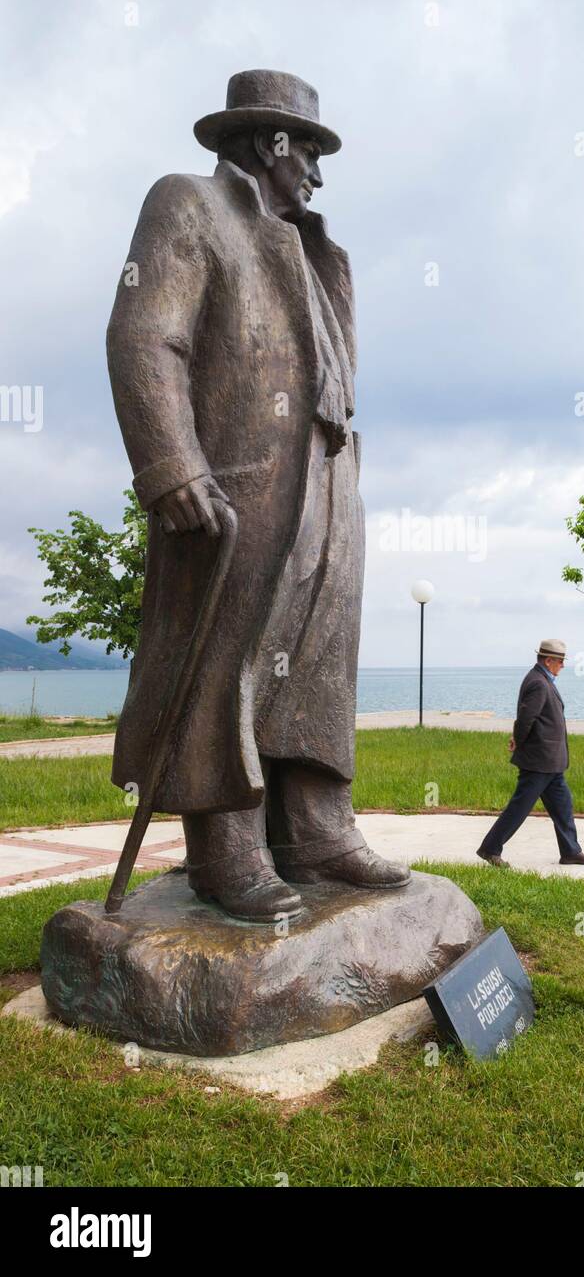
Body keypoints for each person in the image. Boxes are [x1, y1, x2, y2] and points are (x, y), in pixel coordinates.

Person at [107, 70, 408, 921]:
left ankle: (317, 828)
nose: (315, 169)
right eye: (308, 148)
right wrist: (170, 464)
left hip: (325, 481)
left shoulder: (312, 247)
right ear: (271, 144)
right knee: (226, 662)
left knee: (317, 656)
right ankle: (226, 848)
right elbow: (142, 335)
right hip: (239, 485)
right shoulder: (189, 205)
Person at [477, 640, 584, 868]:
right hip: (539, 760)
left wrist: (518, 739)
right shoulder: (539, 683)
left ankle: (571, 851)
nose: (562, 666)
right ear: (548, 660)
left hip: (550, 762)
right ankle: (490, 848)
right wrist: (518, 742)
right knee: (520, 807)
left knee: (563, 806)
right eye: (560, 661)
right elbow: (526, 718)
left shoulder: (541, 679)